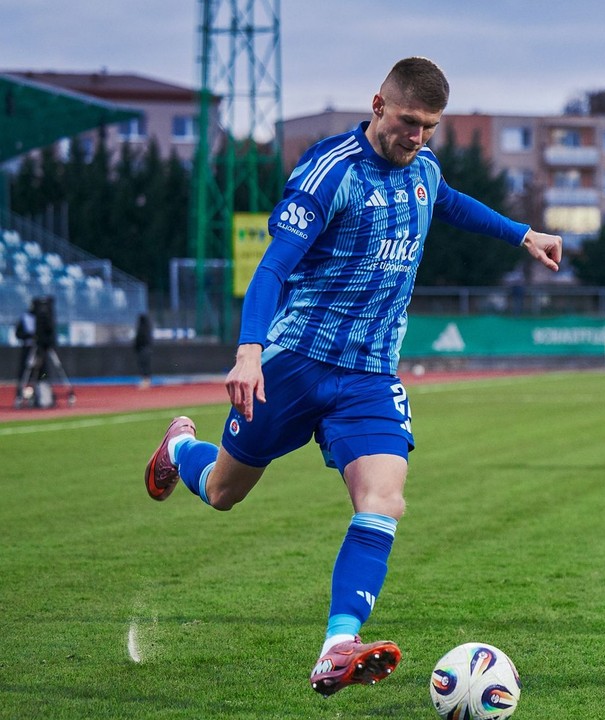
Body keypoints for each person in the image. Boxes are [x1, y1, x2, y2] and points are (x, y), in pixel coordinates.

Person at [143, 57, 563, 694]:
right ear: (377, 105)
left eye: (429, 126)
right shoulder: (327, 172)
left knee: (384, 500)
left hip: (369, 376)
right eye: (407, 122)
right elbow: (271, 270)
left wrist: (522, 233)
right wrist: (249, 350)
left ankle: (337, 646)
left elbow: (449, 204)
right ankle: (179, 445)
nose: (416, 137)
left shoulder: (423, 169)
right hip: (295, 362)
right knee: (226, 490)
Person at [134, 313, 153, 389]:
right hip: (147, 349)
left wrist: (136, 347)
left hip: (142, 349)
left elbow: (138, 340)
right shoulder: (148, 330)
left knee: (143, 366)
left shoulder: (141, 330)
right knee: (146, 366)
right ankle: (147, 381)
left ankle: (145, 382)